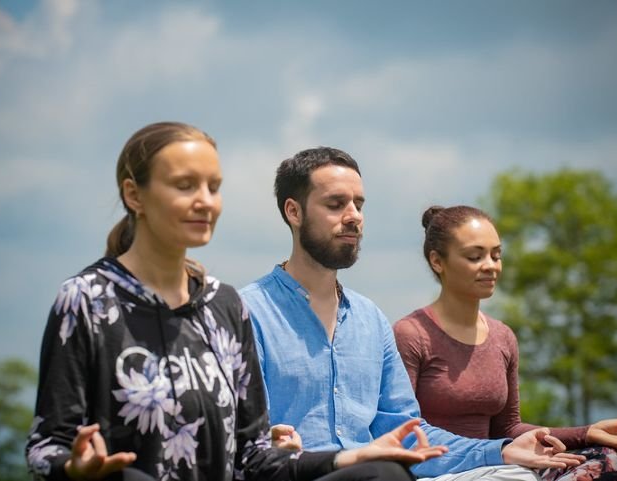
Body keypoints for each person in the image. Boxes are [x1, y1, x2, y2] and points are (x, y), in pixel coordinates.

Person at [24, 122, 452, 481]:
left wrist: (350, 457)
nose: (204, 201)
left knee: (384, 475)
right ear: (134, 196)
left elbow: (253, 457)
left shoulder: (223, 305)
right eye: (184, 185)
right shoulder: (86, 301)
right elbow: (46, 446)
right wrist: (75, 468)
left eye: (213, 186)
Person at [239, 147, 585, 480]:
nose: (353, 216)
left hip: (379, 474)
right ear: (293, 212)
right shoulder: (248, 313)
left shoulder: (369, 320)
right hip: (308, 474)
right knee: (386, 473)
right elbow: (245, 442)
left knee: (520, 475)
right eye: (335, 204)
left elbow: (408, 435)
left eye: (358, 204)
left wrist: (500, 450)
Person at [393, 205, 617, 481]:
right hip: (440, 473)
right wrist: (496, 454)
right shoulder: (411, 334)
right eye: (475, 256)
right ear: (437, 261)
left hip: (500, 468)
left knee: (603, 460)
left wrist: (585, 433)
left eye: (496, 255)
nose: (490, 266)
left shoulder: (502, 337)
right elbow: (403, 434)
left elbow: (507, 428)